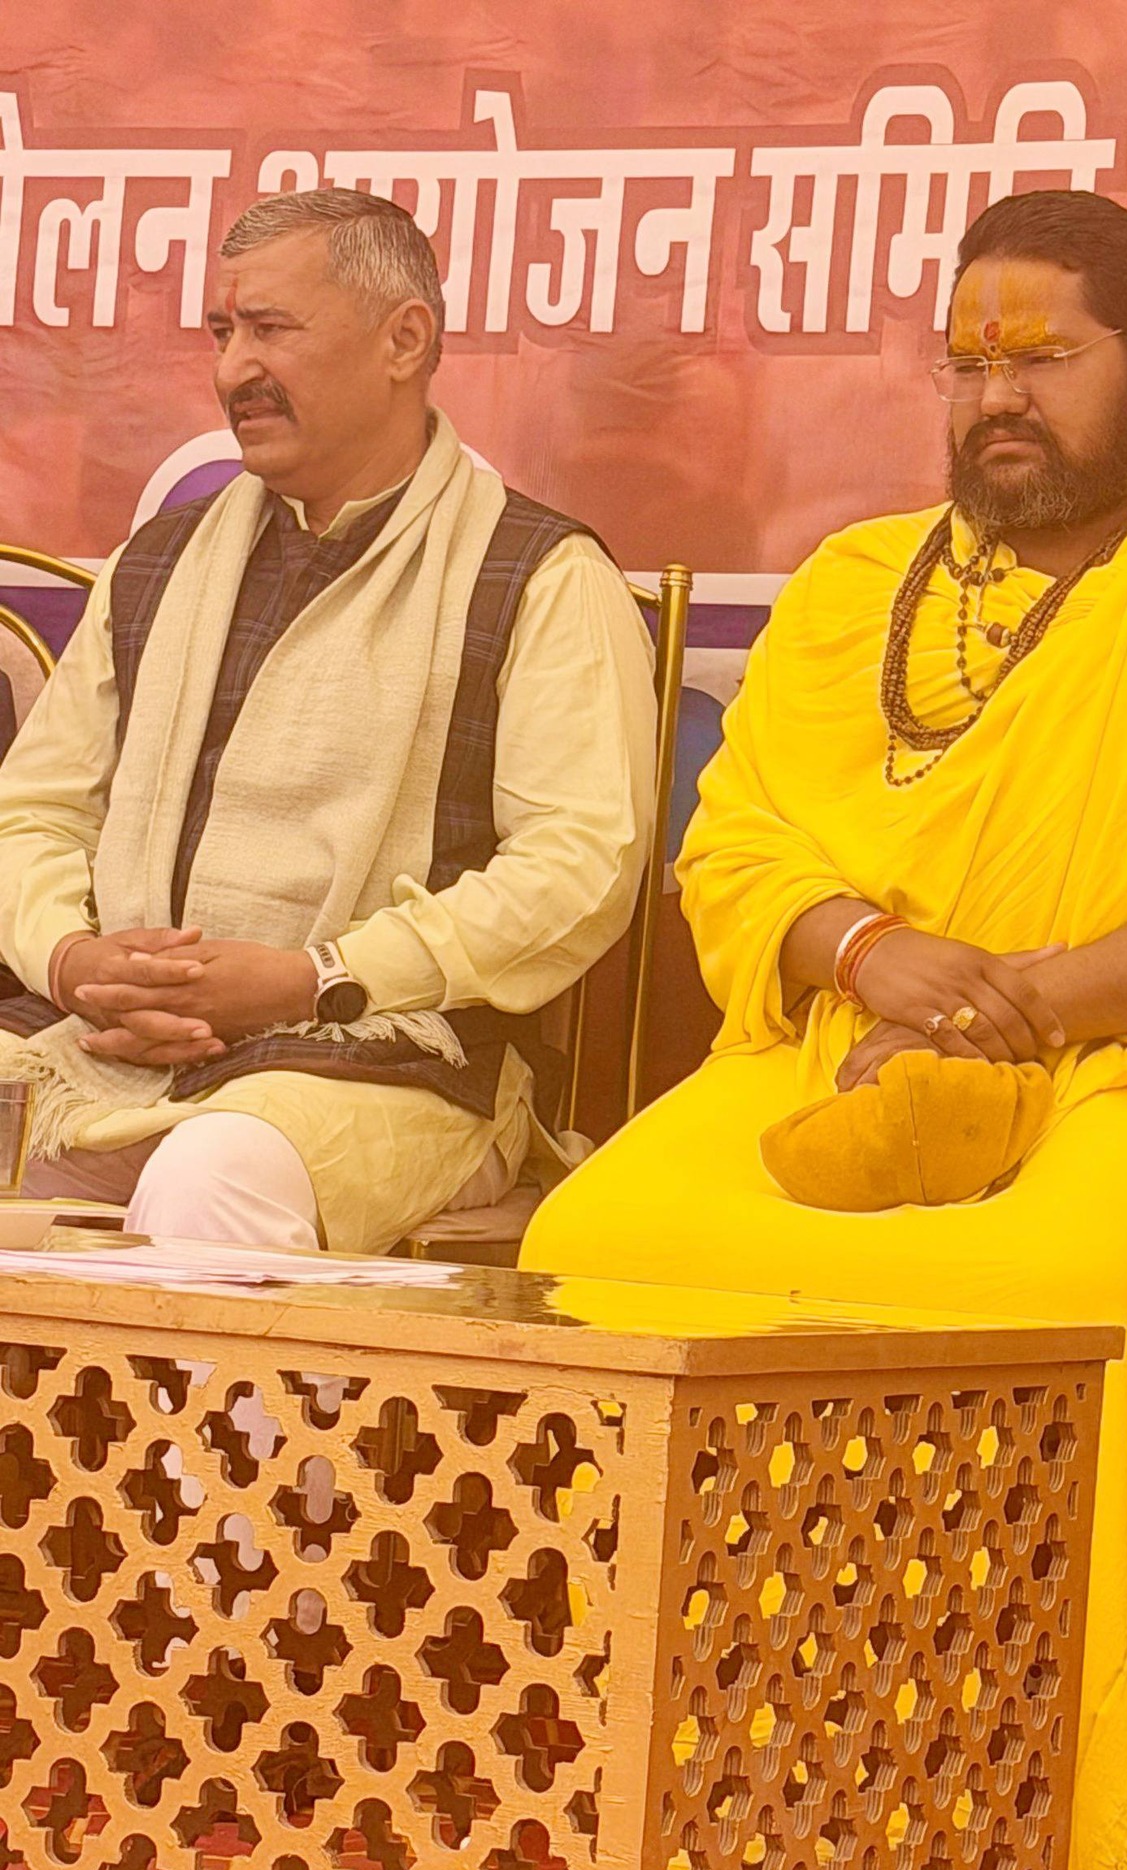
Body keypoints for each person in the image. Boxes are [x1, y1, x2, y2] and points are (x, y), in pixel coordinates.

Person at [521, 189, 1127, 1870]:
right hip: (849, 1049)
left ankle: (974, 1811)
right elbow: (737, 848)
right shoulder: (854, 588)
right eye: (966, 364)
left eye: (1042, 358)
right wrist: (864, 952)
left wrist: (1026, 1002)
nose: (996, 398)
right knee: (591, 1251)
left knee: (1043, 1299)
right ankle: (667, 1765)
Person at [0, 189, 655, 1253]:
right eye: (223, 332)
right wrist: (77, 960)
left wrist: (321, 978)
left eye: (270, 329)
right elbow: (31, 815)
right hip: (102, 1041)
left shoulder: (535, 574)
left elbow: (579, 866)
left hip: (390, 1062)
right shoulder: (160, 563)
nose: (232, 371)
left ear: (405, 341)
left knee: (212, 1175)